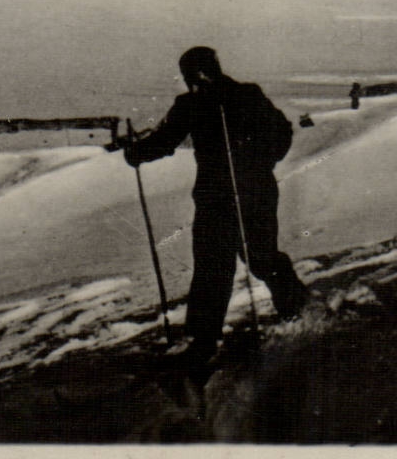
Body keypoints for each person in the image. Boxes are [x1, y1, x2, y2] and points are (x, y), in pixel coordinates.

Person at [124, 46, 309, 368]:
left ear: (200, 73)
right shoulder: (221, 99)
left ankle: (286, 313)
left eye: (191, 76)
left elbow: (281, 131)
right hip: (236, 194)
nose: (190, 82)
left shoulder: (217, 100)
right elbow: (282, 131)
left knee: (237, 260)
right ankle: (213, 336)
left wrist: (136, 153)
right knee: (236, 261)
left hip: (236, 194)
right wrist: (138, 153)